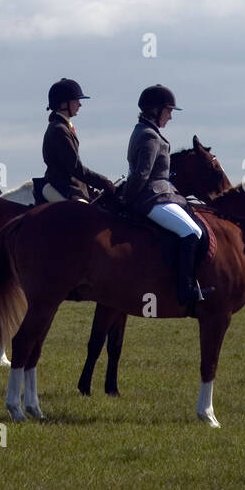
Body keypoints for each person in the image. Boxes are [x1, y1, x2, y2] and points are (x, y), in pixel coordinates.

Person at [125, 84, 206, 314]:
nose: (170, 116)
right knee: (192, 232)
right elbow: (142, 173)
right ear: (154, 110)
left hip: (159, 194)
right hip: (151, 197)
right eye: (168, 110)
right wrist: (128, 201)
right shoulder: (149, 136)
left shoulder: (145, 130)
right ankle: (185, 289)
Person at [41, 78, 114, 204]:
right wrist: (103, 182)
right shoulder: (59, 130)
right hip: (62, 187)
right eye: (76, 101)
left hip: (70, 186)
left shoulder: (64, 126)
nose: (79, 104)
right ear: (63, 104)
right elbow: (75, 167)